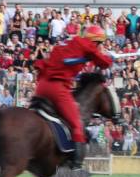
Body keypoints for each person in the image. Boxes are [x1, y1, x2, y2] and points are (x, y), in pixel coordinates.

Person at [33, 26, 113, 169]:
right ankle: (76, 165)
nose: (99, 46)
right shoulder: (87, 44)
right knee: (77, 125)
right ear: (95, 41)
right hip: (56, 88)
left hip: (41, 86)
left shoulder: (70, 43)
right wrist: (109, 57)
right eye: (99, 43)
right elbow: (105, 63)